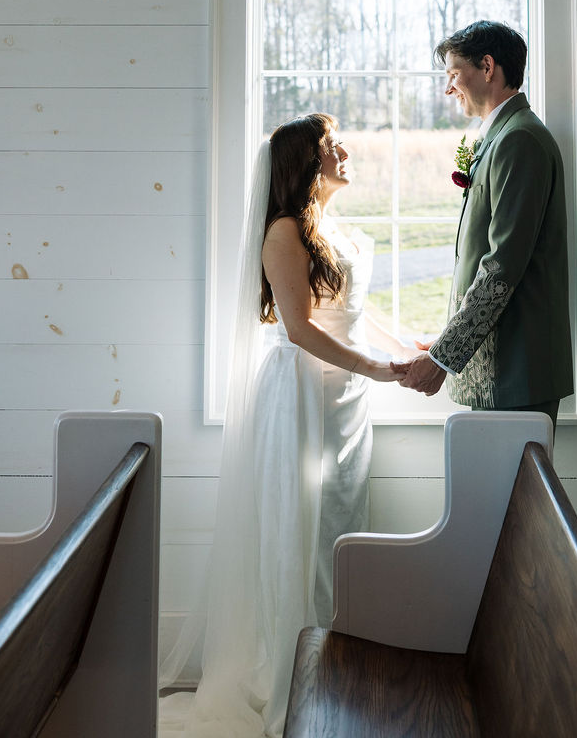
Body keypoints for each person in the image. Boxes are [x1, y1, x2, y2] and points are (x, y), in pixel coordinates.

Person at [160, 113, 405, 738]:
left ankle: (329, 669)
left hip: (345, 402)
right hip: (303, 401)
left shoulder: (326, 225)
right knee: (304, 535)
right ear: (304, 164)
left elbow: (352, 313)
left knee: (340, 535)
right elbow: (300, 329)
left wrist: (410, 348)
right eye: (331, 146)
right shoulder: (283, 233)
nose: (345, 150)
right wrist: (378, 370)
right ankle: (296, 681)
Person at [392, 21, 573, 424]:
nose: (448, 88)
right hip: (502, 365)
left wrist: (443, 358)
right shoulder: (502, 136)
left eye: (454, 74)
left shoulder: (519, 140)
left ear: (487, 67)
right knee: (498, 488)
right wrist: (444, 340)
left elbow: (500, 268)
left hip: (516, 368)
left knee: (514, 488)